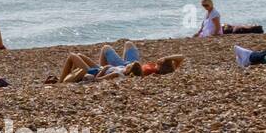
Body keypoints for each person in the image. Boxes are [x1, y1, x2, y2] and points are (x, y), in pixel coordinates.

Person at [47, 42, 184, 83]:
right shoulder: (159, 68)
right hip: (126, 67)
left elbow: (181, 57)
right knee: (129, 44)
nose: (159, 60)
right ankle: (70, 76)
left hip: (122, 68)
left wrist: (103, 70)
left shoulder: (153, 73)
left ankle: (65, 80)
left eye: (160, 62)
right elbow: (180, 57)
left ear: (161, 67)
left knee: (105, 49)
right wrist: (167, 59)